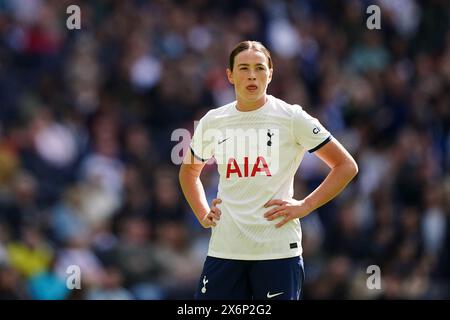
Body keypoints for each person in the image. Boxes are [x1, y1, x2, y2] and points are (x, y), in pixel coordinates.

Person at [179, 40, 358, 300]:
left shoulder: (291, 117)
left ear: (270, 74)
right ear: (229, 75)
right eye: (243, 68)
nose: (252, 75)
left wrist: (305, 205)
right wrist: (202, 212)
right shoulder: (213, 121)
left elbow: (345, 166)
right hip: (226, 249)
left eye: (259, 68)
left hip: (277, 251)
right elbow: (188, 172)